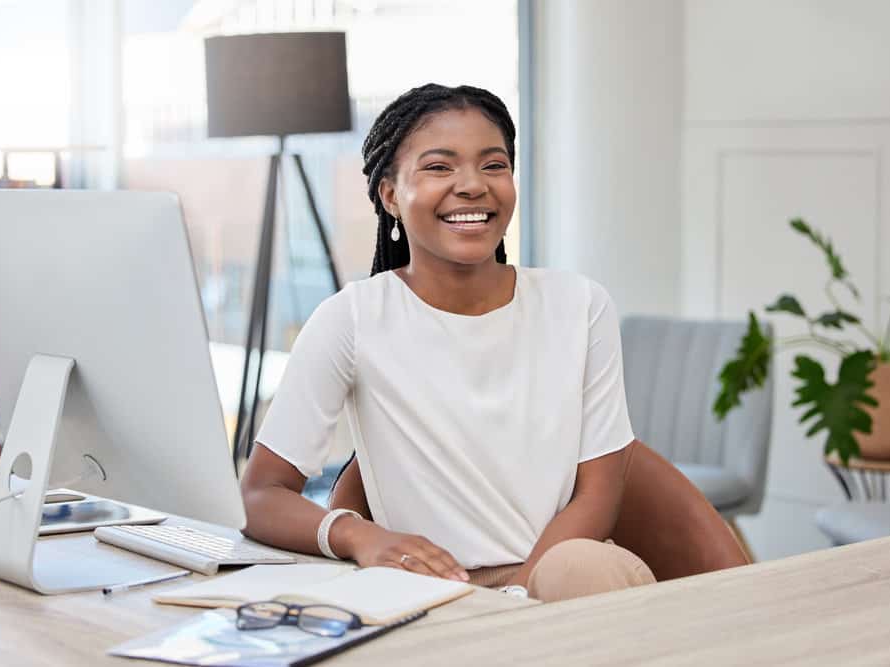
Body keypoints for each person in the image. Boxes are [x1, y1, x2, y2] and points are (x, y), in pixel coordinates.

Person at [240, 83, 656, 602]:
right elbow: (261, 493)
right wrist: (361, 536)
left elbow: (598, 496)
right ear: (390, 194)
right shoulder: (351, 319)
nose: (472, 186)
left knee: (580, 567)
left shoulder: (580, 305)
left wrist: (514, 603)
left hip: (565, 581)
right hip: (429, 594)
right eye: (439, 167)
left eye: (493, 165)